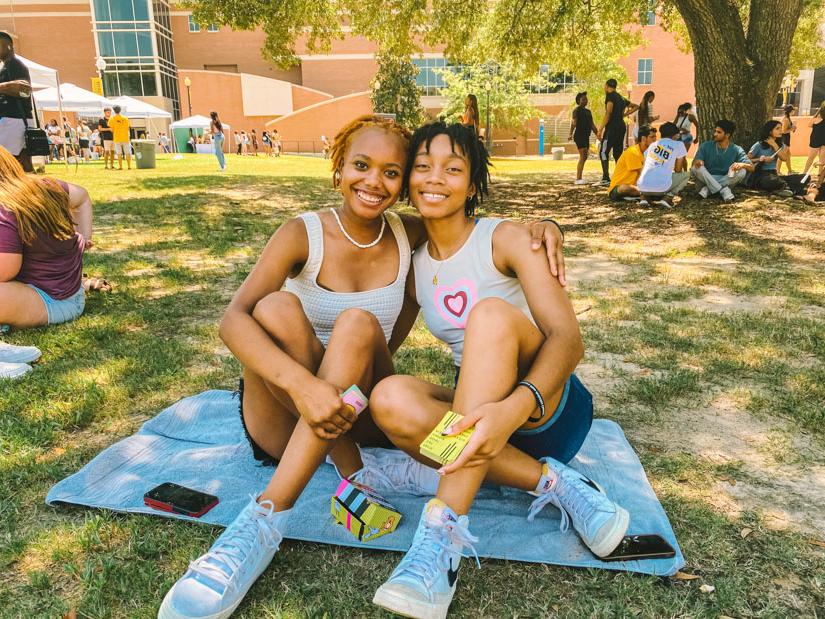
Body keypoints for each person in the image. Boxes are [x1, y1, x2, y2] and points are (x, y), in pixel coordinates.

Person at [157, 115, 566, 619]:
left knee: (355, 324)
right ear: (337, 169)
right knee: (273, 309)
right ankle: (271, 518)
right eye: (361, 166)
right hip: (285, 413)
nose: (374, 182)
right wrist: (304, 386)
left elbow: (465, 224)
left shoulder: (409, 233)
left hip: (357, 414)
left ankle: (280, 508)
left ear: (403, 186)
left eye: (391, 172)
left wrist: (544, 227)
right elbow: (231, 321)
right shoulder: (300, 233)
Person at [368, 122, 628, 619]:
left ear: (473, 182)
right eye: (422, 166)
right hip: (480, 425)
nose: (434, 178)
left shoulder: (505, 238)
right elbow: (382, 348)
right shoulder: (415, 262)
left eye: (453, 168)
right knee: (389, 398)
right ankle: (558, 486)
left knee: (486, 315)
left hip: (544, 409)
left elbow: (569, 340)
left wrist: (513, 407)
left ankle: (440, 539)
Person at [0, 146, 91, 345]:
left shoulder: (4, 209)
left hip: (51, 300)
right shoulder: (45, 186)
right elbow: (82, 197)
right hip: (71, 294)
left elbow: (5, 270)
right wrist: (85, 235)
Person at [691, 119, 754, 202]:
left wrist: (742, 165)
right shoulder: (705, 146)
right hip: (705, 180)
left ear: (727, 135)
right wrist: (699, 162)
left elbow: (752, 168)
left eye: (719, 132)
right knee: (695, 168)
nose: (715, 134)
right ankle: (722, 190)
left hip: (726, 179)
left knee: (742, 171)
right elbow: (695, 163)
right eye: (715, 131)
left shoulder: (737, 149)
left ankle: (708, 190)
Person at [0, 31, 33, 172]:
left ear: (8, 46)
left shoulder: (14, 64)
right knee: (23, 164)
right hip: (14, 121)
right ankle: (38, 190)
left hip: (14, 121)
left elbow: (25, 89)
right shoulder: (7, 66)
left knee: (8, 164)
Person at [636, 121, 689, 207]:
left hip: (641, 187)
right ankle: (668, 198)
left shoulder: (653, 145)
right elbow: (678, 170)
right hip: (661, 188)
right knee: (687, 175)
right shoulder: (679, 144)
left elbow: (645, 165)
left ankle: (644, 198)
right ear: (675, 135)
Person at [596, 78, 638, 185]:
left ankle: (606, 177)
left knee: (603, 152)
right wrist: (624, 115)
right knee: (618, 153)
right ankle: (620, 177)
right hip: (621, 127)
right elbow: (636, 106)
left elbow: (608, 113)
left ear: (606, 86)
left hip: (612, 128)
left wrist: (600, 129)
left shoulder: (610, 96)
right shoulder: (621, 98)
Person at [606, 124, 658, 202]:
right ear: (643, 139)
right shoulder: (633, 152)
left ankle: (641, 195)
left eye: (655, 137)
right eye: (652, 137)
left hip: (633, 187)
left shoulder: (642, 153)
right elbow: (642, 175)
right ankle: (645, 194)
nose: (655, 140)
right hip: (617, 189)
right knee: (625, 188)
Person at [746, 120, 793, 196]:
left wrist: (774, 145)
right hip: (760, 174)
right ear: (770, 131)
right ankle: (784, 188)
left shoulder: (780, 145)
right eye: (777, 128)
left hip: (773, 173)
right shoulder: (759, 145)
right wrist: (762, 159)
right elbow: (746, 160)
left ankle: (783, 188)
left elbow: (784, 158)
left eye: (781, 128)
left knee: (804, 178)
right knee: (771, 181)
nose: (781, 130)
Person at [568, 91, 597, 185]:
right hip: (579, 135)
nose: (585, 100)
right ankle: (578, 178)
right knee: (583, 155)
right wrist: (570, 134)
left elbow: (592, 125)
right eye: (583, 99)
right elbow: (574, 123)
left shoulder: (588, 112)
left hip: (586, 136)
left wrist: (598, 134)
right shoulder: (576, 110)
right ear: (578, 100)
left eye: (586, 99)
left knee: (585, 156)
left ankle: (580, 177)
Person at [800, 102, 825, 184]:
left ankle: (805, 173)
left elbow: (809, 125)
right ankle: (819, 175)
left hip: (815, 140)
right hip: (823, 141)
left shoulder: (816, 119)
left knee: (811, 158)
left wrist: (816, 113)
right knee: (822, 160)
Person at [778, 105, 796, 175]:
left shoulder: (788, 118)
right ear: (790, 111)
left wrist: (792, 127)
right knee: (782, 156)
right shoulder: (785, 119)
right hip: (784, 139)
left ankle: (790, 171)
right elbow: (783, 131)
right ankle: (777, 171)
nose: (794, 111)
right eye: (793, 110)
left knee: (788, 155)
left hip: (787, 139)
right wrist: (792, 128)